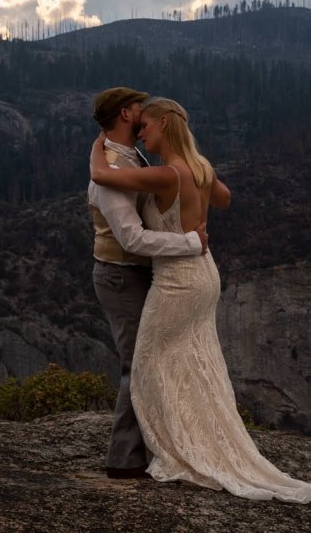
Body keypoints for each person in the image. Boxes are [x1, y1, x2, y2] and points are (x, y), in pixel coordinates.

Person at [90, 97, 311, 505]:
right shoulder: (199, 168)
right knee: (194, 360)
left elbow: (101, 175)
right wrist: (199, 194)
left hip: (177, 280)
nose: (142, 132)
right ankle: (201, 435)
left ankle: (169, 450)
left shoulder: (164, 176)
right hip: (206, 272)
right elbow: (224, 199)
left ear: (164, 126)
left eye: (148, 127)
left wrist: (98, 143)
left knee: (146, 365)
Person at [87, 87, 211, 480]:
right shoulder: (112, 169)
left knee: (154, 359)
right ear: (125, 114)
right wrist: (190, 242)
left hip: (142, 274)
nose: (143, 114)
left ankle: (156, 445)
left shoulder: (127, 158)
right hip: (120, 275)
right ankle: (123, 460)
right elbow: (132, 239)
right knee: (136, 364)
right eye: (138, 107)